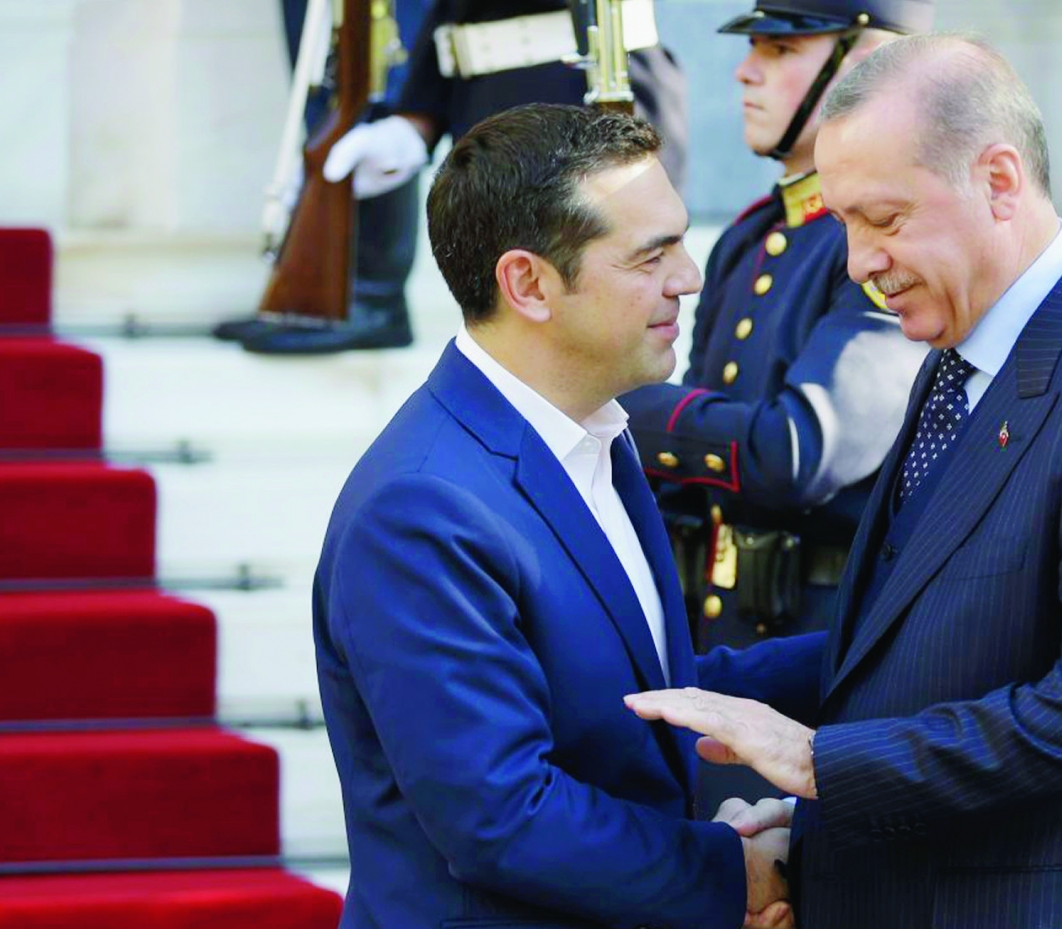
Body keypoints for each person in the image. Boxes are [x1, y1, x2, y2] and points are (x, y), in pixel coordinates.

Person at [627, 34, 1062, 928]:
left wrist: (818, 764)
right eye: (843, 223)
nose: (858, 263)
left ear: (999, 181)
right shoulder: (960, 353)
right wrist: (697, 686)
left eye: (884, 218)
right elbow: (903, 638)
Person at [313, 104, 815, 929]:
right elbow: (503, 816)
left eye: (680, 242)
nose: (688, 276)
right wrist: (733, 875)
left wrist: (887, 644)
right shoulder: (423, 507)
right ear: (528, 284)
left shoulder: (594, 435)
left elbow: (643, 695)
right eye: (649, 256)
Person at [621, 0, 928, 719]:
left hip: (824, 655)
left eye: (781, 51)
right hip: (721, 631)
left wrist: (618, 404)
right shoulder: (752, 236)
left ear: (863, 64)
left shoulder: (883, 241)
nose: (746, 71)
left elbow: (797, 449)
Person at [233, 0, 689, 355]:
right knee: (517, 354)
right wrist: (416, 119)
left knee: (595, 355)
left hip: (581, 96)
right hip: (492, 111)